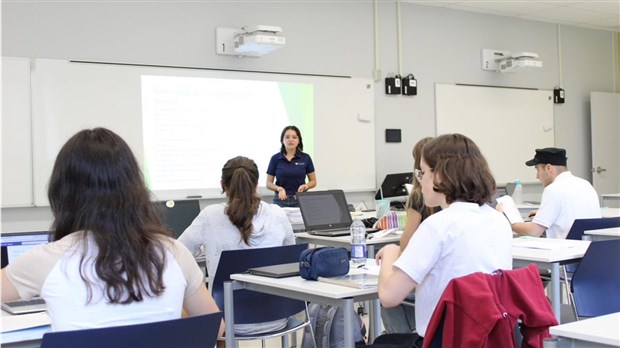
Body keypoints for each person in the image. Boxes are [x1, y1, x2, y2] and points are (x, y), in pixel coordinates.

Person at [0, 128, 223, 336]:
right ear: (134, 187)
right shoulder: (174, 253)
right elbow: (216, 327)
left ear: (62, 192)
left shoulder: (45, 260)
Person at [376, 133, 513, 347]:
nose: (419, 180)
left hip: (443, 340)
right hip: (489, 337)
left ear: (440, 175)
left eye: (422, 172)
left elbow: (389, 297)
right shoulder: (499, 221)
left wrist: (391, 254)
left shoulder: (437, 225)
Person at [179, 156, 295, 335]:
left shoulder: (210, 215)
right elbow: (290, 256)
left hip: (226, 322)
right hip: (278, 316)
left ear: (222, 185)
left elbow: (178, 255)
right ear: (256, 184)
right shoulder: (278, 215)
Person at [381, 137, 439, 334]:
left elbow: (405, 246)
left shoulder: (419, 196)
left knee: (386, 295)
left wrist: (391, 251)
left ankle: (403, 340)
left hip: (429, 285)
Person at [502, 147, 601, 239]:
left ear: (548, 168)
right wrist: (546, 214)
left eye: (538, 169)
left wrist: (509, 223)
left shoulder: (553, 189)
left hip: (564, 252)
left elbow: (533, 232)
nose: (537, 176)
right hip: (588, 250)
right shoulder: (585, 184)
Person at [266, 125, 317, 207]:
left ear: (299, 140)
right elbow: (268, 183)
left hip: (300, 200)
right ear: (282, 140)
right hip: (280, 200)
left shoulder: (306, 158)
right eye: (287, 137)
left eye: (294, 137)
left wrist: (306, 186)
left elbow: (313, 181)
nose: (290, 140)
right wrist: (279, 189)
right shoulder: (275, 158)